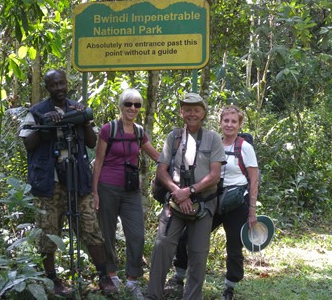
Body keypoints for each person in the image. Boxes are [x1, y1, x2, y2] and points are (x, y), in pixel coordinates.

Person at [19, 69, 112, 296]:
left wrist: (84, 119)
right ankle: (53, 282)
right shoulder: (37, 111)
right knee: (48, 232)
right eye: (53, 85)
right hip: (49, 183)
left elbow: (91, 143)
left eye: (62, 83)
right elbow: (28, 145)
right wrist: (46, 125)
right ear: (47, 88)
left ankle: (104, 276)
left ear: (66, 83)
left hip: (78, 180)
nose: (59, 88)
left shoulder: (76, 108)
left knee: (91, 228)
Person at [164, 105, 259, 300]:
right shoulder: (212, 142)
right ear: (220, 122)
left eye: (234, 121)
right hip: (212, 199)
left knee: (234, 246)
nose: (229, 125)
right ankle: (178, 276)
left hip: (236, 203)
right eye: (226, 121)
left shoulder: (245, 147)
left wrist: (252, 211)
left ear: (240, 124)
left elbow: (254, 180)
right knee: (187, 237)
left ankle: (230, 287)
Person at [145, 92, 226, 300]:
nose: (192, 114)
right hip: (175, 202)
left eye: (196, 109)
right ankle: (153, 295)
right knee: (162, 246)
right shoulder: (173, 137)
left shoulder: (213, 138)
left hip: (203, 204)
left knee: (198, 254)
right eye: (187, 109)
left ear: (203, 113)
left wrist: (189, 192)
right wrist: (177, 192)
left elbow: (215, 175)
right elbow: (161, 171)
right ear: (182, 112)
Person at [92, 88, 159, 300]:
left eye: (137, 105)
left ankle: (132, 280)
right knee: (107, 233)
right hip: (107, 187)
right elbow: (99, 161)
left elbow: (156, 155)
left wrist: (176, 162)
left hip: (131, 191)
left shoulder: (139, 132)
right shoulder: (108, 129)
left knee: (137, 234)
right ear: (121, 106)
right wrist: (94, 192)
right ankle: (111, 275)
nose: (132, 108)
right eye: (128, 104)